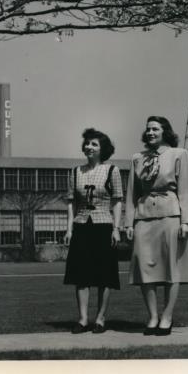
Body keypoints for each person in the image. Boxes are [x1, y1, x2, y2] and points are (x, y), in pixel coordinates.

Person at [124, 115, 188, 335]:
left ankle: (167, 316)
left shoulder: (179, 154)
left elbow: (186, 190)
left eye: (155, 129)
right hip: (143, 215)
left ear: (165, 131)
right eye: (148, 129)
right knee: (144, 268)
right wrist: (128, 223)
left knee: (171, 268)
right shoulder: (138, 158)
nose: (150, 133)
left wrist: (186, 221)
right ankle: (153, 316)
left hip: (170, 215)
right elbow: (131, 193)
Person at [63, 128, 123, 334]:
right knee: (81, 275)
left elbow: (117, 201)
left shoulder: (112, 171)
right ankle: (82, 319)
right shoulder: (75, 172)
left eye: (94, 144)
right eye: (87, 143)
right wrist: (69, 228)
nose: (89, 147)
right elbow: (71, 203)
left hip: (103, 225)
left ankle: (100, 319)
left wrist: (117, 228)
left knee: (104, 275)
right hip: (82, 226)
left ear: (102, 149)